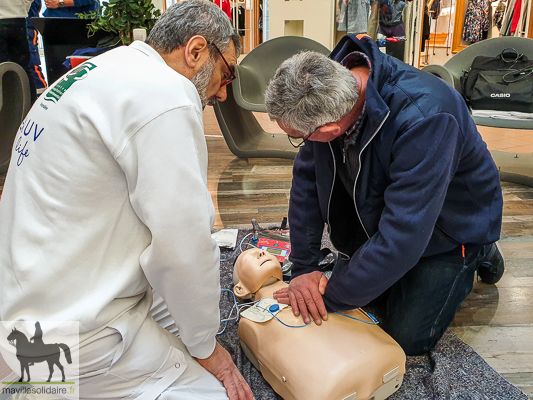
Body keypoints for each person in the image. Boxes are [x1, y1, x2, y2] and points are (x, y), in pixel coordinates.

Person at [0, 1, 254, 399]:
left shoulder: (106, 68)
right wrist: (209, 350)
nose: (224, 92)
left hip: (21, 305)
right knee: (217, 392)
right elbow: (183, 243)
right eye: (228, 73)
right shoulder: (166, 95)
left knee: (181, 314)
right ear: (196, 50)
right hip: (72, 337)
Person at [265, 34, 504, 356]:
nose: (299, 143)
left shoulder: (426, 116)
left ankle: (482, 249)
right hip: (392, 209)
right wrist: (304, 266)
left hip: (451, 224)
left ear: (330, 130)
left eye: (299, 138)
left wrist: (329, 297)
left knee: (404, 339)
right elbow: (307, 183)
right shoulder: (329, 92)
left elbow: (404, 232)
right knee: (364, 298)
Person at [233, 248, 406, 400]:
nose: (262, 252)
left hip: (373, 357)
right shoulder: (250, 322)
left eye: (262, 251)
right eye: (250, 256)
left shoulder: (313, 284)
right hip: (328, 382)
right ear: (240, 289)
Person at [0, 0, 37, 103]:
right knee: (24, 68)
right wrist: (23, 7)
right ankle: (30, 108)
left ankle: (5, 112)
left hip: (17, 16)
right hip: (18, 18)